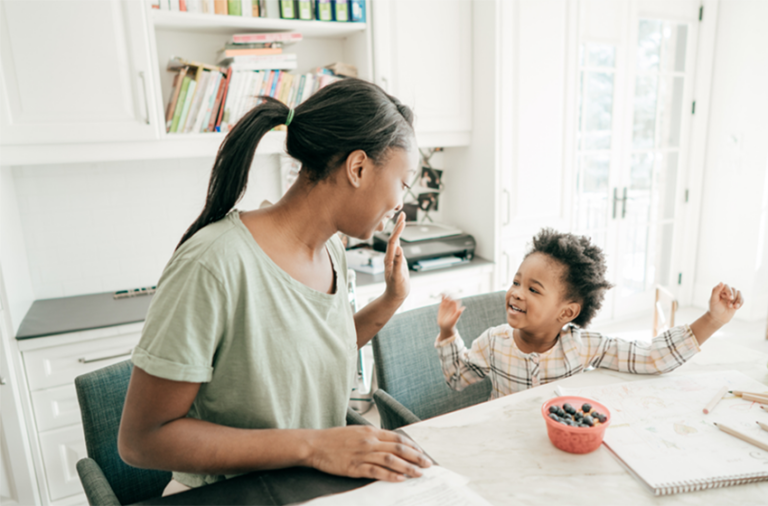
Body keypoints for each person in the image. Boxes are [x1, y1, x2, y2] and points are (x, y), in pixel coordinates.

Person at [117, 78, 432, 493]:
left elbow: (309, 354)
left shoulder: (332, 252)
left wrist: (393, 299)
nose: (400, 204)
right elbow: (142, 441)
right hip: (230, 496)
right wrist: (314, 446)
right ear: (358, 168)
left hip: (305, 488)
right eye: (403, 183)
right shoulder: (214, 263)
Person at [435, 228, 744, 398]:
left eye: (533, 289)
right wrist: (448, 334)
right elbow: (457, 378)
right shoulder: (493, 342)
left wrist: (713, 319)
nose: (516, 292)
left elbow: (652, 358)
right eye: (516, 282)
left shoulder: (583, 347)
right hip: (505, 442)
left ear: (567, 312)